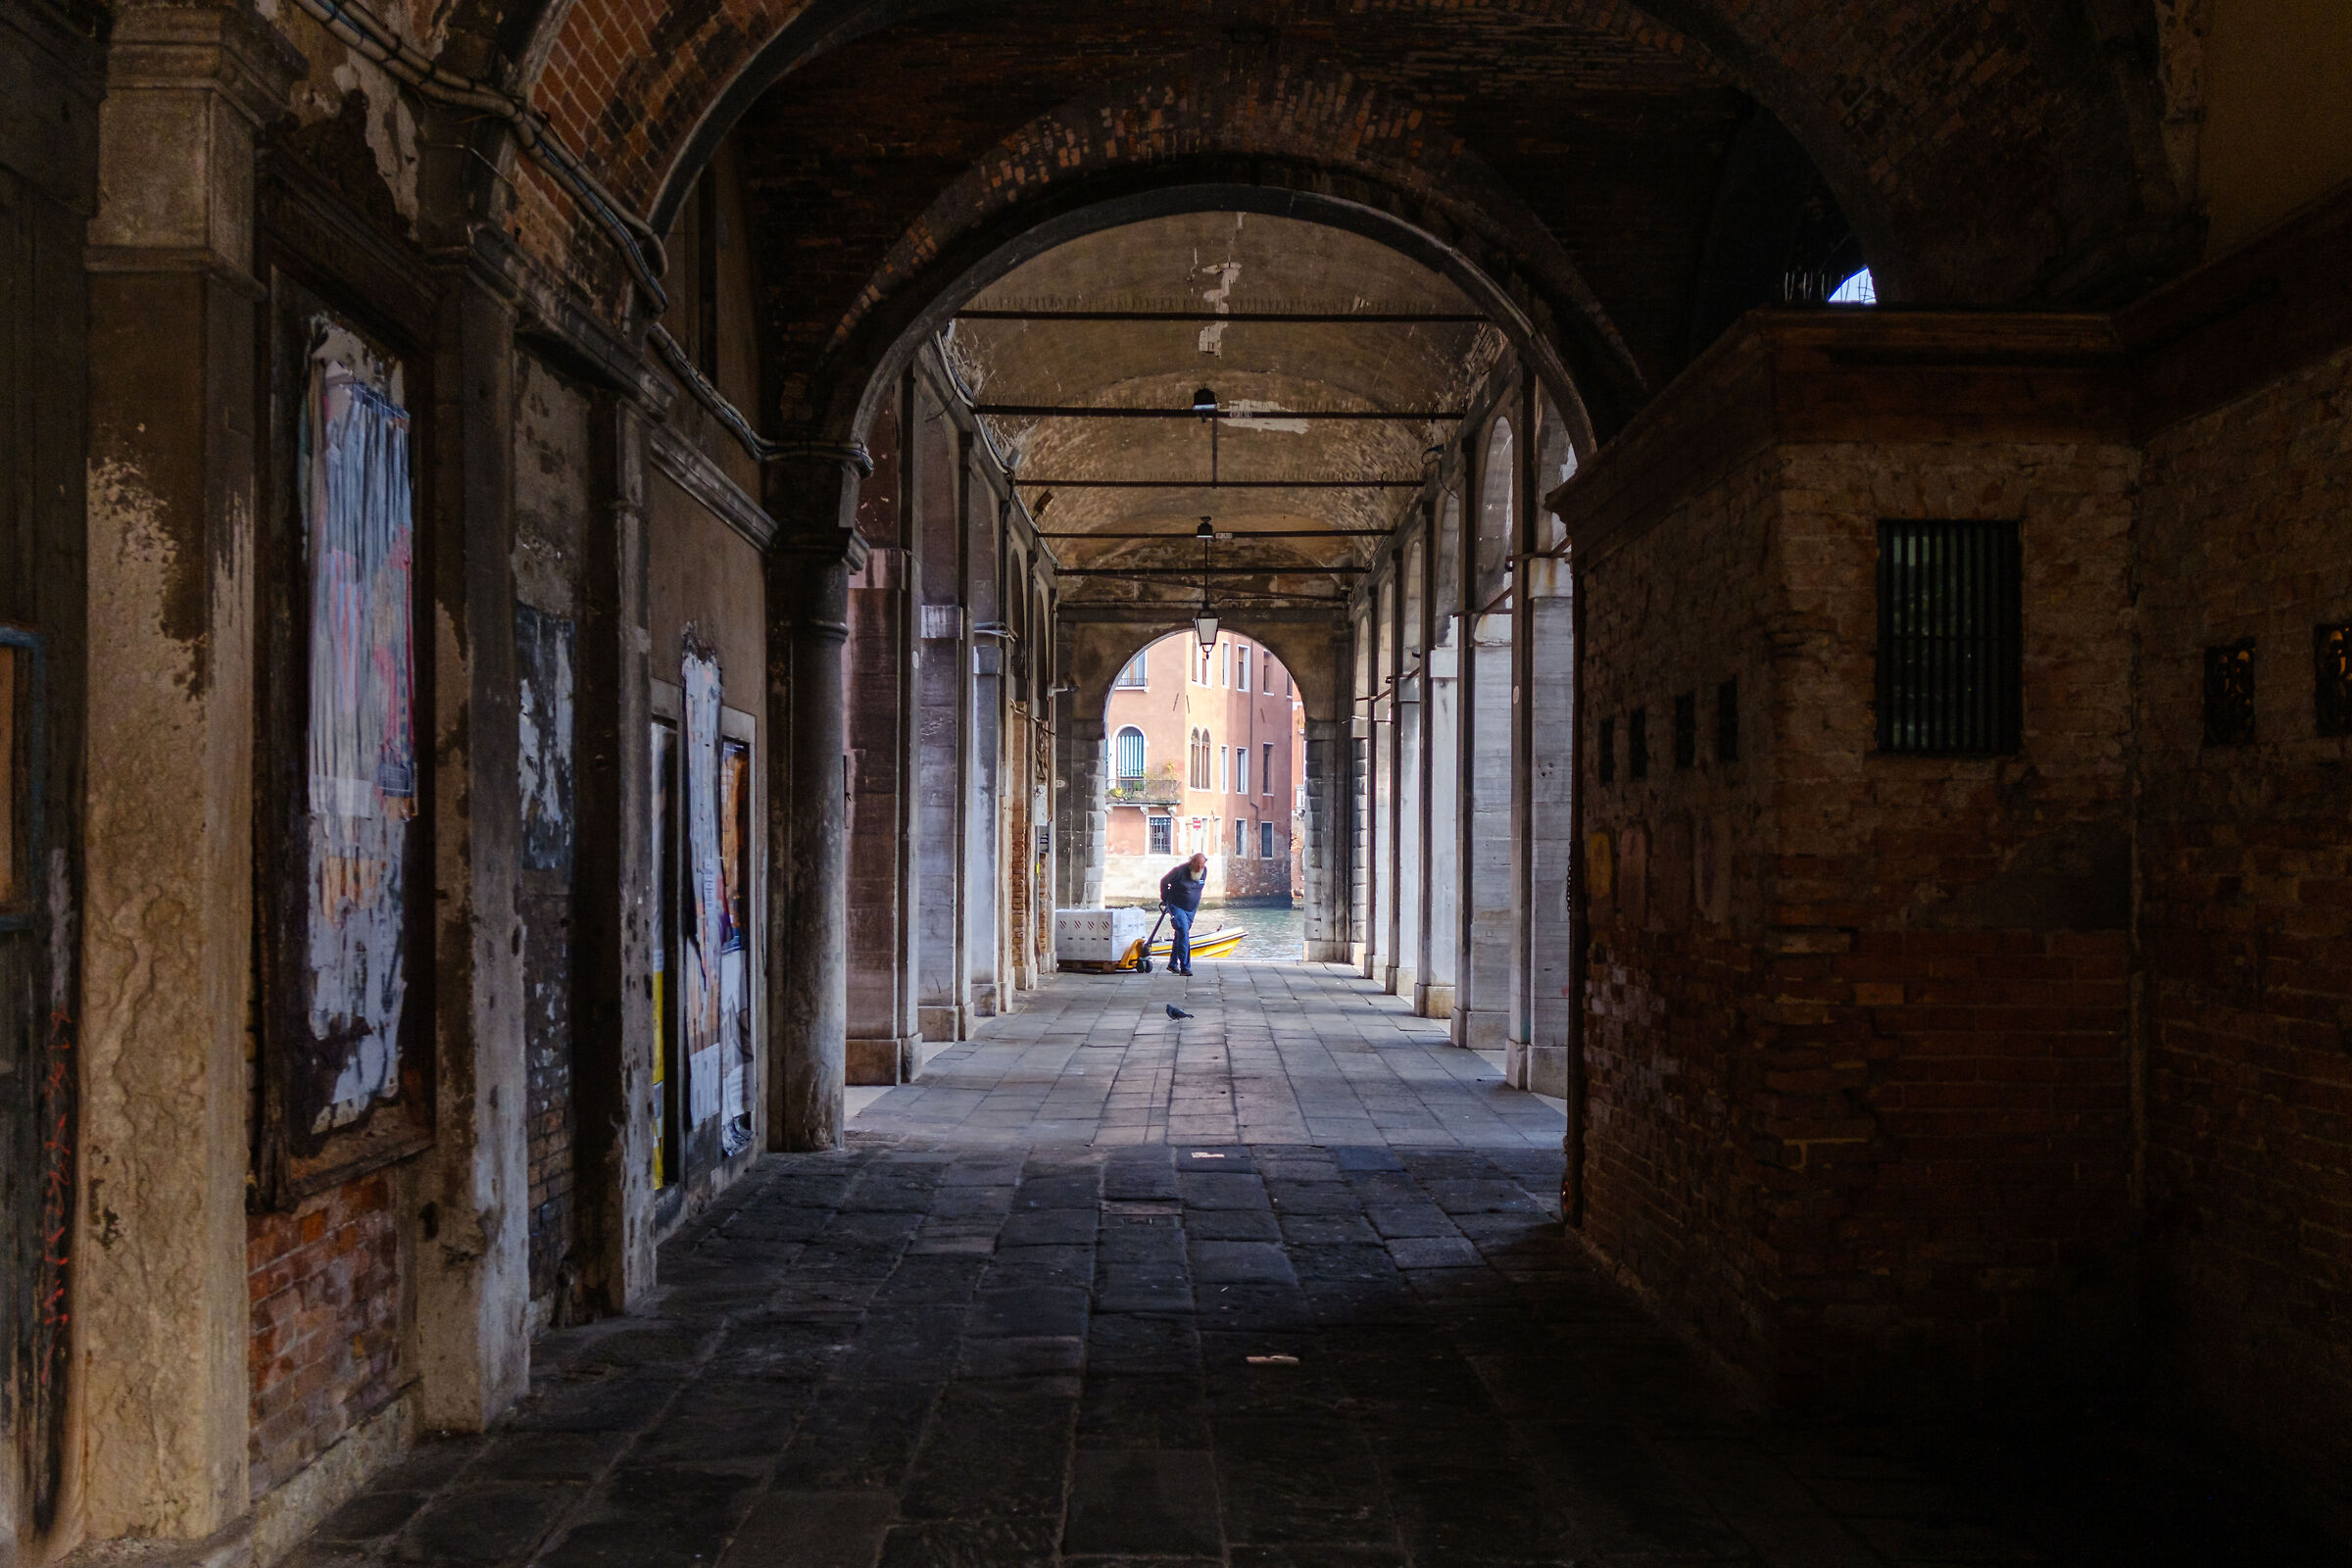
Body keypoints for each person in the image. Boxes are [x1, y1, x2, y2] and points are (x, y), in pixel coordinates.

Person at [1157, 852, 1208, 976]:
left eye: (1202, 866)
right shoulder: (1179, 871)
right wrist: (1165, 898)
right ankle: (1185, 967)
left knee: (1180, 934)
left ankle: (1173, 964)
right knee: (1184, 933)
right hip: (1177, 905)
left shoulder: (1204, 871)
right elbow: (1164, 881)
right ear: (1191, 863)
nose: (1200, 868)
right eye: (1198, 866)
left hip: (1191, 909)